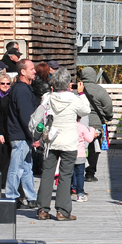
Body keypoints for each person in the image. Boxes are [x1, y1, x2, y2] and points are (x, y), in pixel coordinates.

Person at [35, 68, 90, 221]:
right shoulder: (74, 99)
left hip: (50, 141)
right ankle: (62, 211)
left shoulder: (48, 97)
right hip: (69, 142)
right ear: (68, 84)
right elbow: (86, 110)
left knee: (47, 174)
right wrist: (81, 93)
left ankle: (43, 209)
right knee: (65, 175)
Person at [4, 59, 39, 209]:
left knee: (26, 167)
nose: (35, 71)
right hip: (20, 135)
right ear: (23, 72)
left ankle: (31, 197)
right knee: (16, 167)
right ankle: (11, 197)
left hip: (23, 135)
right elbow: (26, 117)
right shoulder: (21, 90)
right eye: (31, 69)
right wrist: (34, 136)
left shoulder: (22, 89)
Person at [78, 67, 114, 183]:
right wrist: (108, 117)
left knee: (78, 147)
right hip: (95, 124)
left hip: (78, 124)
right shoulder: (99, 90)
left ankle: (77, 173)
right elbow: (108, 105)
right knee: (94, 149)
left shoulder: (76, 89)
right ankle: (90, 174)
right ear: (94, 76)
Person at [73, 120, 99, 202]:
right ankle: (80, 194)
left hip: (70, 153)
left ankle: (73, 188)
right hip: (80, 154)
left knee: (72, 173)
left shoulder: (69, 126)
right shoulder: (82, 127)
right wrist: (91, 129)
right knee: (80, 174)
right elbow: (90, 139)